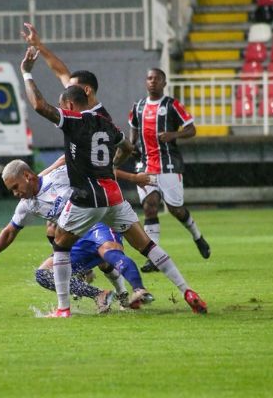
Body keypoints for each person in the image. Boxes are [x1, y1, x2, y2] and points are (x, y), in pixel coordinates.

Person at [20, 45, 208, 317]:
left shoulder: (73, 121)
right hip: (114, 195)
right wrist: (109, 165)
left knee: (59, 243)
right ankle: (187, 290)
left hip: (87, 197)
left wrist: (27, 74)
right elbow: (127, 147)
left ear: (69, 106)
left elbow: (38, 105)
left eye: (64, 107)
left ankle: (63, 309)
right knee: (147, 245)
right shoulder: (107, 122)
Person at [0, 160, 142, 313]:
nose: (16, 193)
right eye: (11, 191)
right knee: (43, 274)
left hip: (98, 224)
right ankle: (100, 295)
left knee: (107, 255)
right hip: (77, 242)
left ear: (27, 175)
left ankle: (131, 292)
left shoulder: (58, 176)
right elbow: (10, 231)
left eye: (16, 187)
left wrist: (132, 178)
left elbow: (73, 159)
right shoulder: (26, 205)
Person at [122, 68, 210, 273]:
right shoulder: (138, 107)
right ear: (146, 82)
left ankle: (197, 236)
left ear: (164, 82)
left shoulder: (172, 105)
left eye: (157, 79)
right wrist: (132, 145)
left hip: (169, 164)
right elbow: (133, 130)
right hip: (145, 165)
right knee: (149, 206)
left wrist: (172, 135)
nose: (152, 81)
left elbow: (191, 129)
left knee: (175, 209)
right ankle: (154, 256)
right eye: (149, 78)